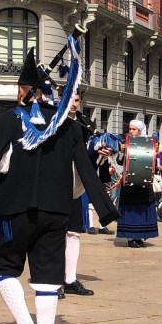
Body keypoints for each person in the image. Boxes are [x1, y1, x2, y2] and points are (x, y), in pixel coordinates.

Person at [0, 48, 120, 324]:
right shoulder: (70, 126)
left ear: (23, 92)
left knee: (2, 266)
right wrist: (105, 210)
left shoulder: (10, 120)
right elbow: (86, 170)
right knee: (49, 278)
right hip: (57, 212)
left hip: (14, 211)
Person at [61, 90, 95, 298]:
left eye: (76, 100)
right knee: (55, 233)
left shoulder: (85, 124)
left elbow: (87, 155)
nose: (73, 104)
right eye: (70, 100)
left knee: (73, 233)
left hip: (76, 185)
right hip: (55, 184)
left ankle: (70, 279)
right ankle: (53, 280)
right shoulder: (53, 121)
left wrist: (99, 152)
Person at [116, 118, 158, 249]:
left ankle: (140, 237)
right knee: (130, 210)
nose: (131, 131)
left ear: (140, 131)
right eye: (129, 129)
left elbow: (153, 163)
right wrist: (123, 151)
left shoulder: (148, 143)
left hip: (144, 184)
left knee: (142, 210)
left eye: (133, 129)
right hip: (129, 183)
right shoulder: (125, 142)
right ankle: (131, 237)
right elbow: (119, 161)